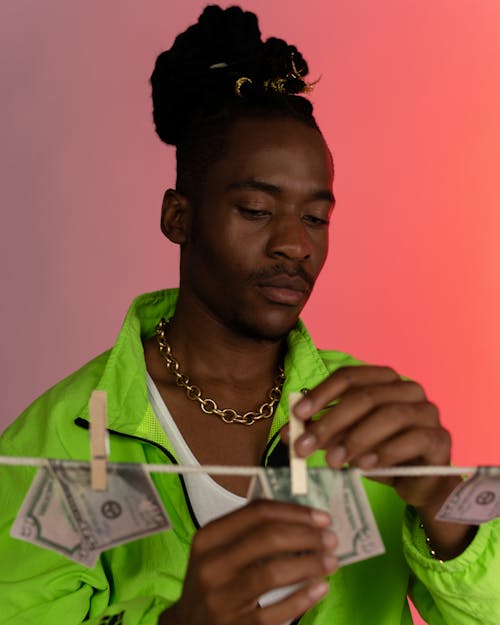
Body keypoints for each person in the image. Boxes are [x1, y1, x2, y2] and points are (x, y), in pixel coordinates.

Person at [0, 5, 499, 625]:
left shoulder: (369, 418)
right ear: (178, 217)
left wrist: (448, 506)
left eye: (316, 217)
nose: (296, 243)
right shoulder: (71, 439)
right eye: (258, 210)